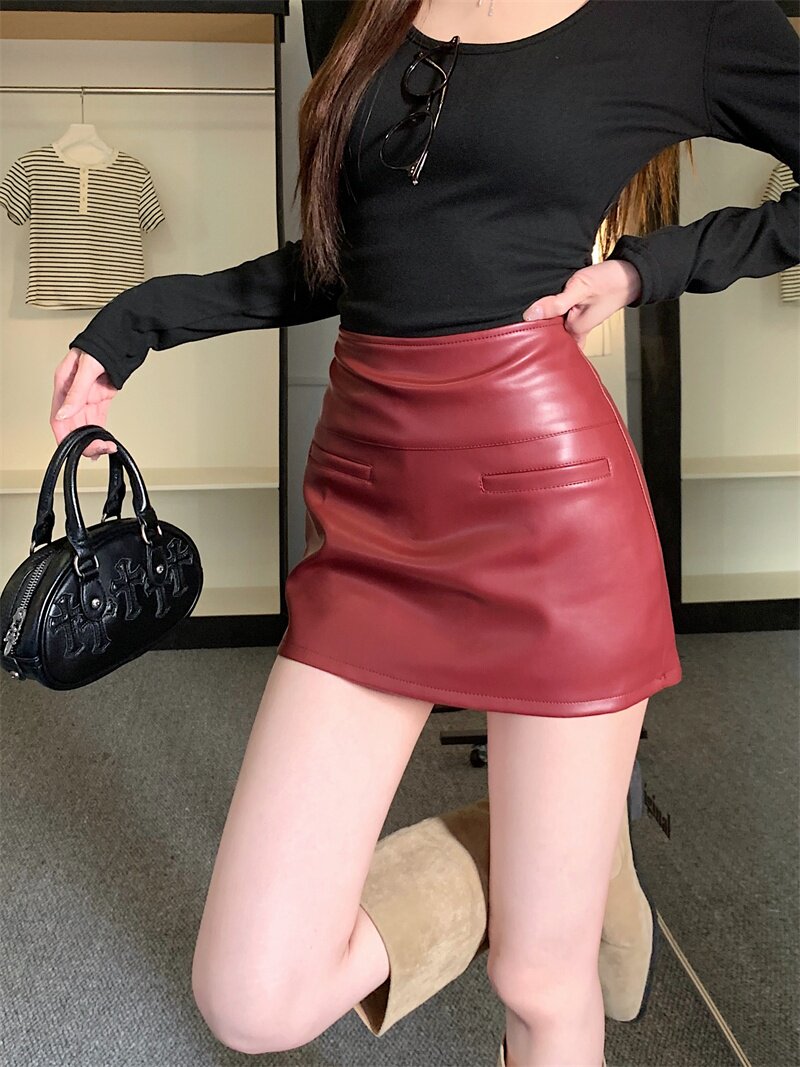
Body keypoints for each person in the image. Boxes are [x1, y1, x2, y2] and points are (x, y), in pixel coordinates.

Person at [50, 2, 799, 1064]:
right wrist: (143, 318)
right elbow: (354, 259)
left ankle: (566, 866)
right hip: (367, 505)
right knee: (254, 997)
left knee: (538, 978)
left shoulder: (685, 16)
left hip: (551, 510)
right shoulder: (355, 6)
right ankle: (570, 850)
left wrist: (647, 267)